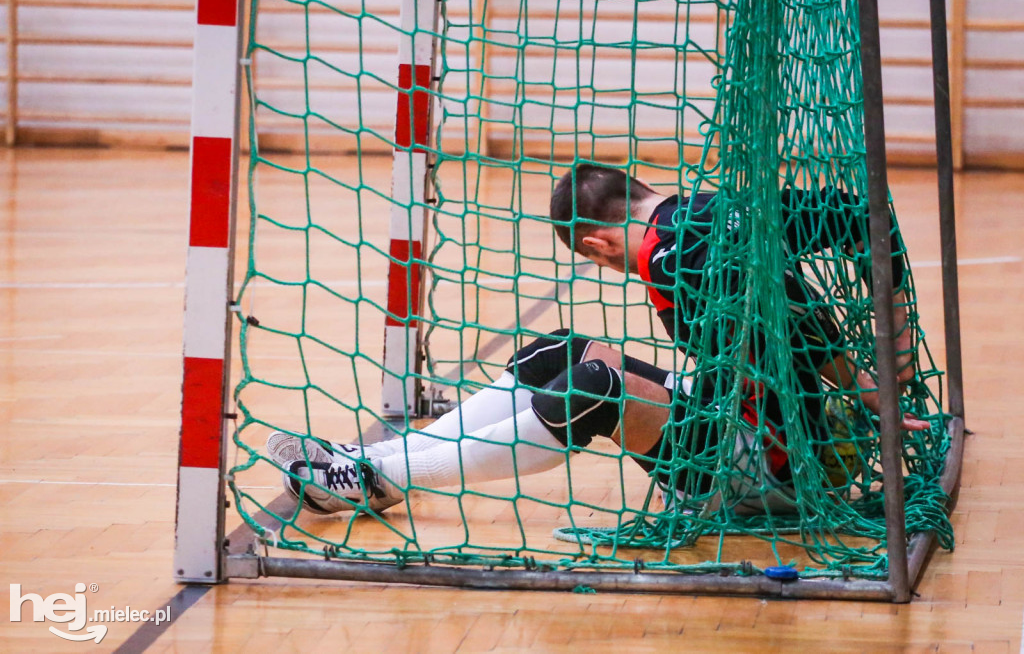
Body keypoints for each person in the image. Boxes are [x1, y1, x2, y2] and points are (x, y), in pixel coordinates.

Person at [269, 163, 925, 516]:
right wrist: (891, 369)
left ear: (597, 243)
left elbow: (792, 311)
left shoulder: (675, 258)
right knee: (552, 351)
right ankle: (377, 471)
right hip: (745, 416)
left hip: (767, 462)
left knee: (593, 391)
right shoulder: (718, 210)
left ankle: (372, 472)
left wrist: (872, 394)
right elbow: (861, 216)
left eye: (600, 262)